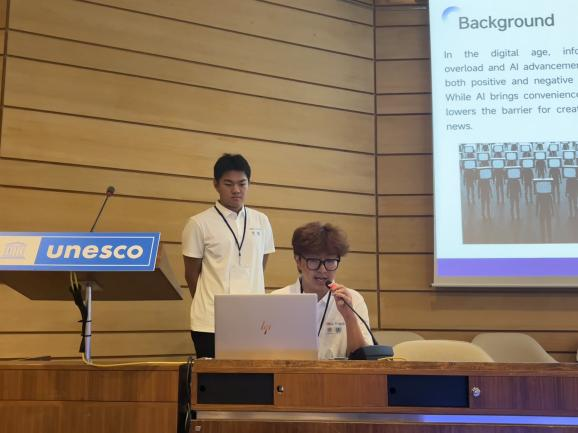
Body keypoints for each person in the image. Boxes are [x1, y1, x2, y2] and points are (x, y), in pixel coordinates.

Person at [182, 154, 275, 358]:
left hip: (253, 321)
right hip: (210, 322)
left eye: (242, 183)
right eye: (228, 184)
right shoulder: (198, 223)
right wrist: (209, 305)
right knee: (215, 377)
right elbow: (191, 274)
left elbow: (260, 266)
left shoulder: (262, 221)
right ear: (216, 184)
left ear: (249, 183)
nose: (236, 190)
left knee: (253, 376)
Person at [272, 222, 372, 359]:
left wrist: (349, 317)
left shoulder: (353, 300)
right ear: (298, 261)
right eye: (314, 261)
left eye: (330, 261)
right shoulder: (277, 299)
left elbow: (364, 360)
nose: (323, 269)